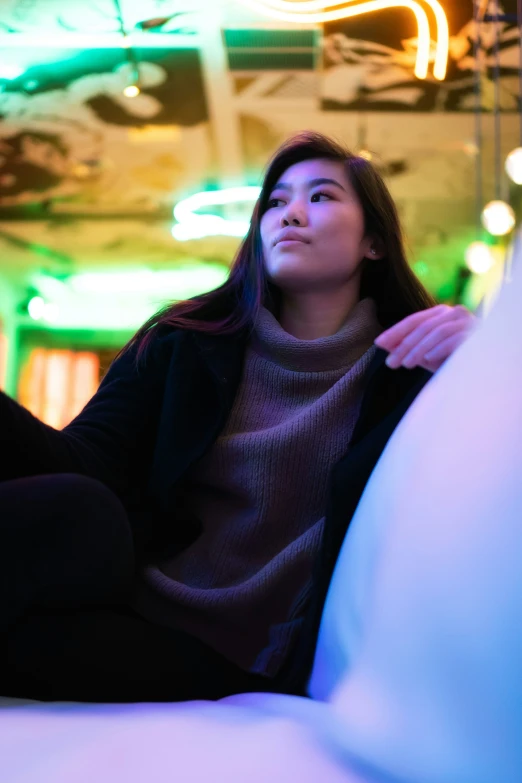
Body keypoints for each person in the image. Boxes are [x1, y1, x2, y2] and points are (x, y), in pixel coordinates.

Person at [0, 131, 476, 704]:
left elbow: (480, 508)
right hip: (138, 611)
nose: (290, 213)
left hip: (258, 656)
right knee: (75, 507)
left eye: (321, 197)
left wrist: (489, 359)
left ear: (374, 241)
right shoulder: (182, 343)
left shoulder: (415, 370)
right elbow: (84, 465)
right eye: (275, 202)